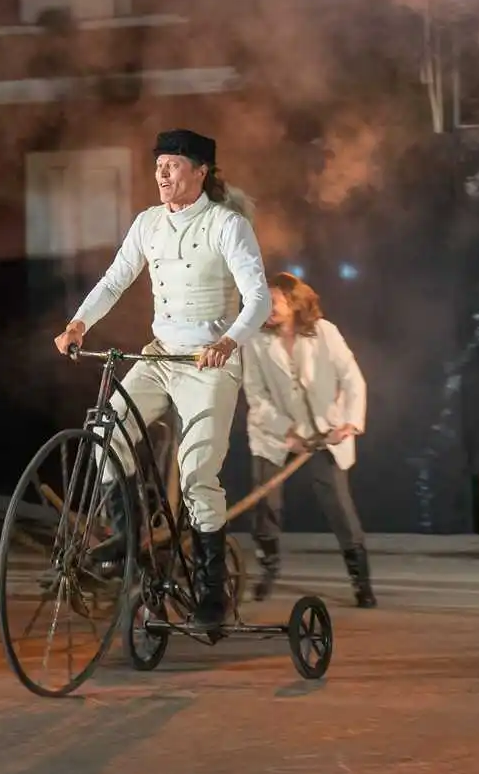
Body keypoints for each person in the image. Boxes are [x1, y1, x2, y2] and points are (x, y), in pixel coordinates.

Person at [53, 128, 271, 627]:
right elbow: (115, 279)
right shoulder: (148, 223)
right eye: (158, 166)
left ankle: (212, 593)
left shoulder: (227, 225)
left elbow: (259, 299)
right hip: (159, 357)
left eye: (172, 165)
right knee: (107, 429)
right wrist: (79, 324)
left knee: (197, 474)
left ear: (200, 172)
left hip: (208, 366)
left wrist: (227, 342)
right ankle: (129, 538)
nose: (162, 174)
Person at [240, 272, 374, 607]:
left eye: (274, 301)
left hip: (325, 433)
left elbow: (352, 379)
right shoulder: (255, 341)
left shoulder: (324, 332)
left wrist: (349, 422)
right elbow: (257, 396)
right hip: (275, 435)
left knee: (339, 506)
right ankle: (268, 570)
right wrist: (288, 432)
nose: (267, 308)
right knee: (266, 507)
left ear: (294, 301)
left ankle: (361, 582)